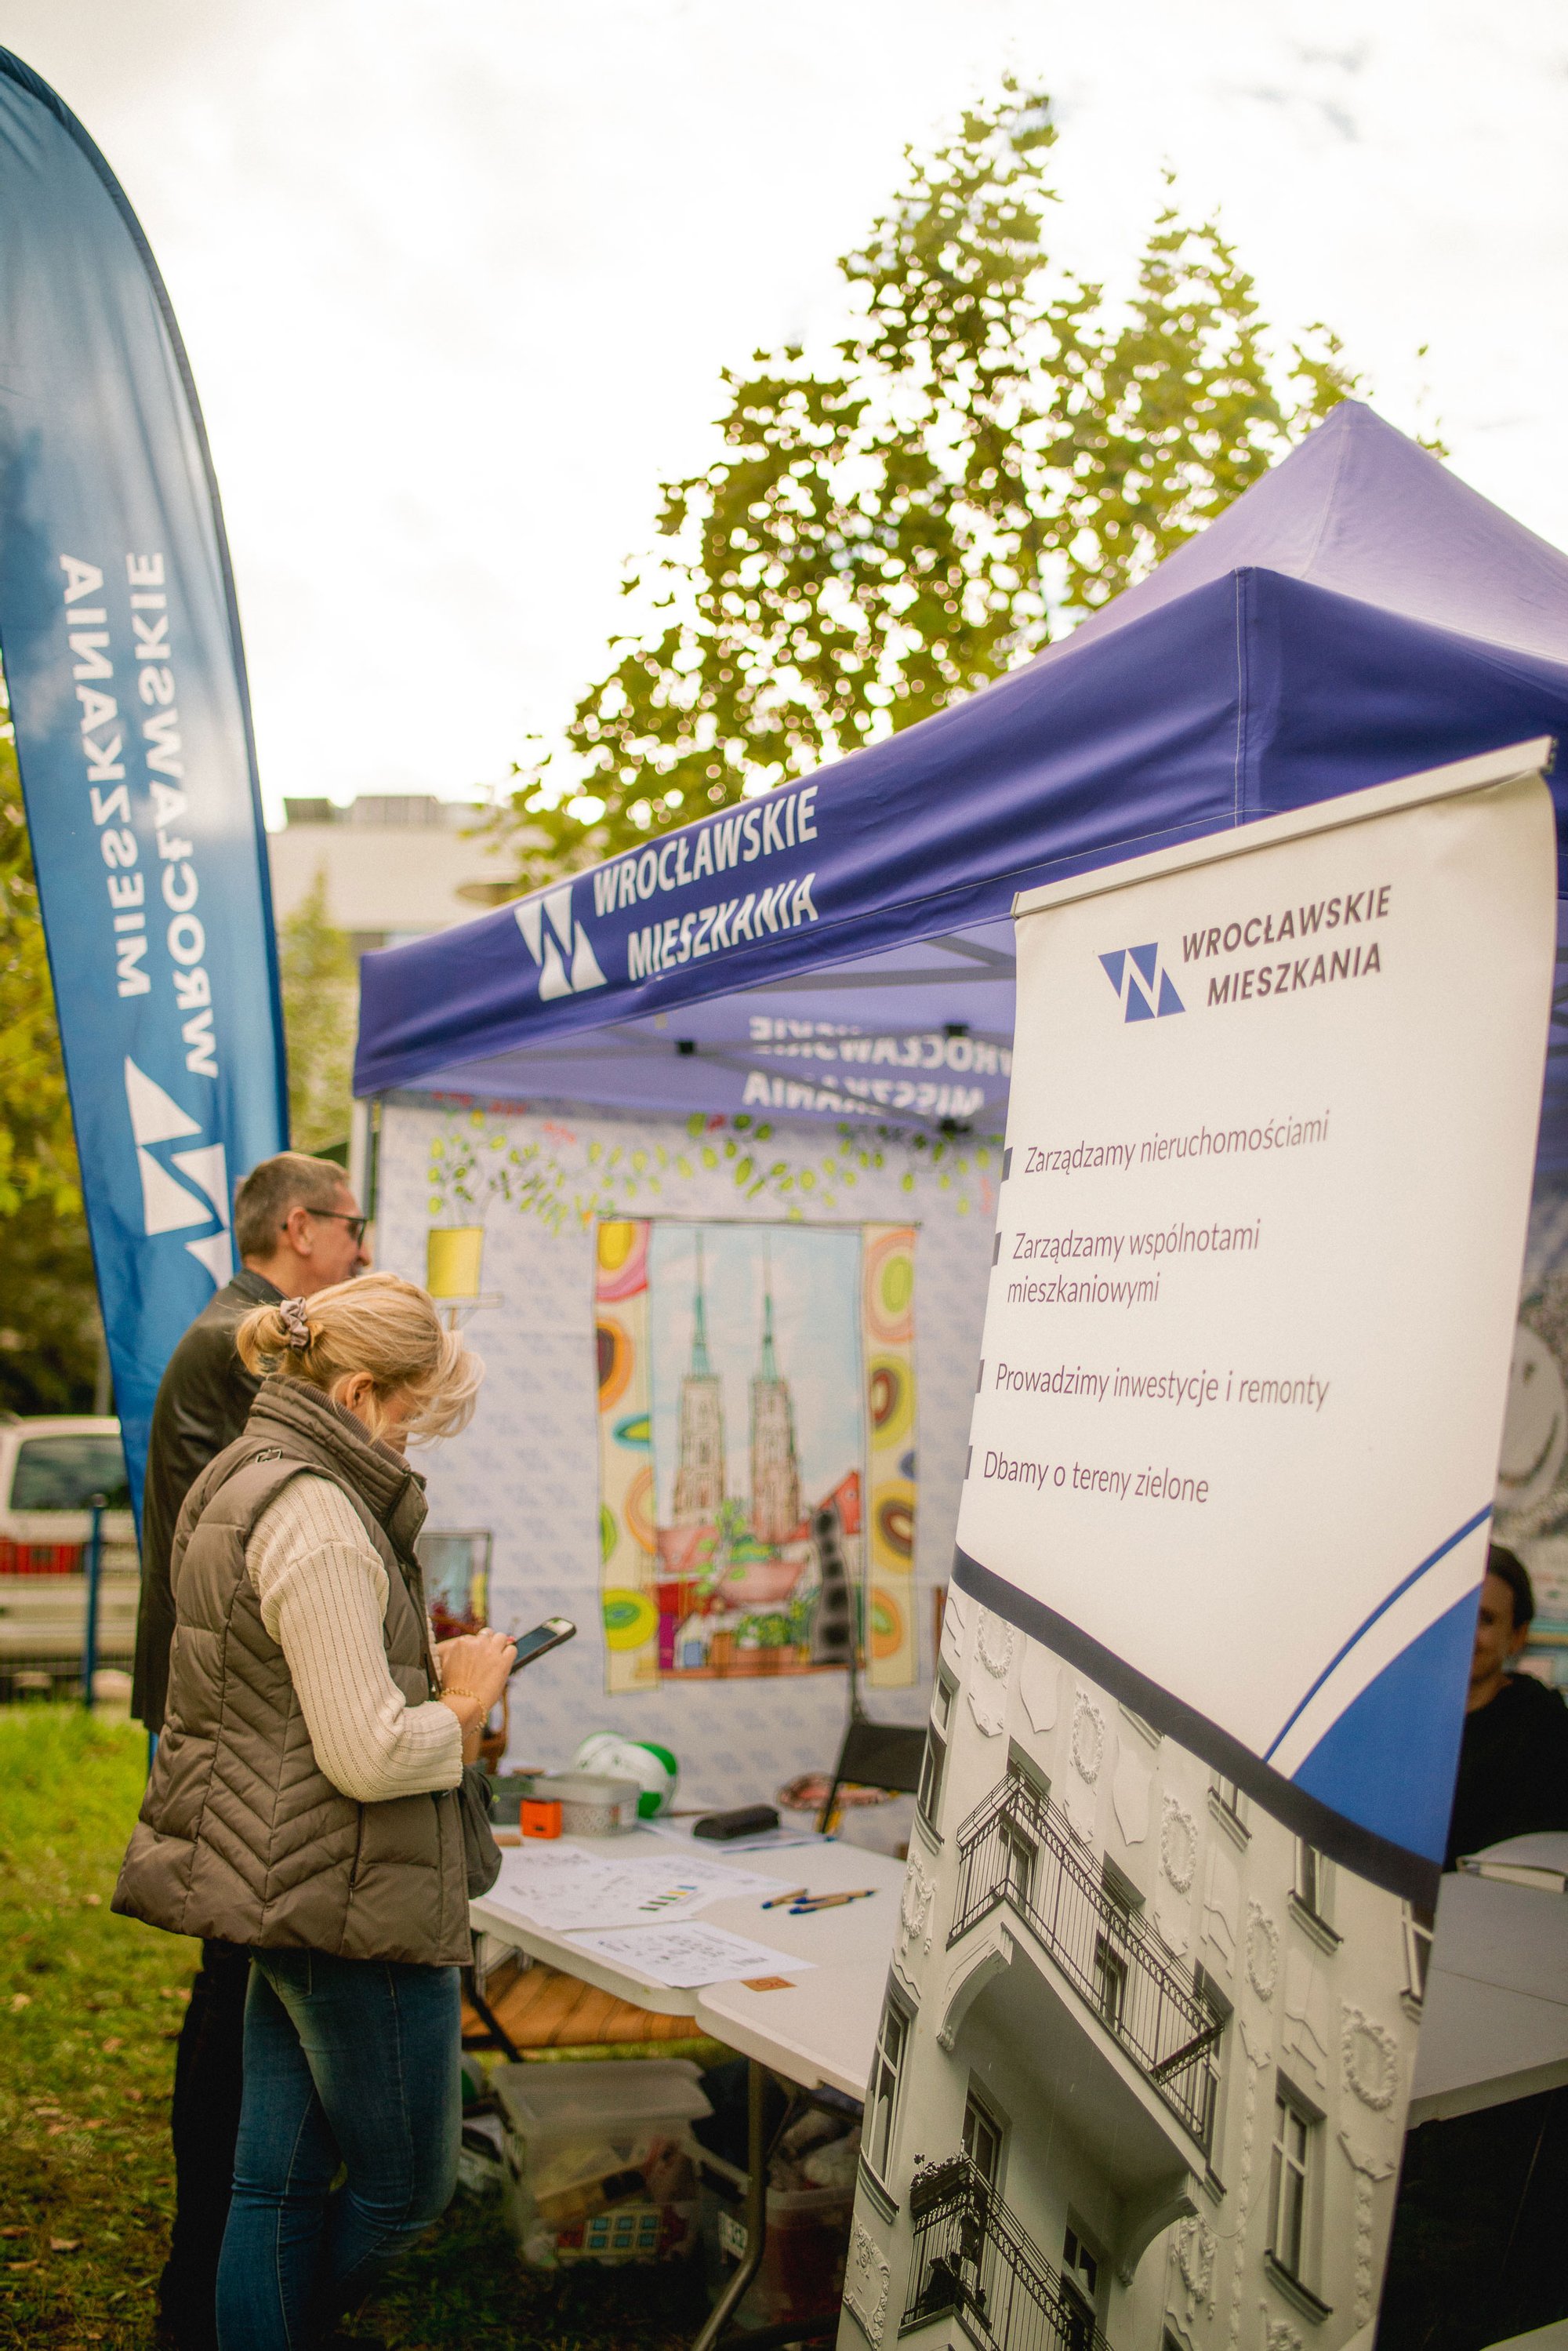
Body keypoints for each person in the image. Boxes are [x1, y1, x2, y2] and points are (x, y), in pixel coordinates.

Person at [114, 1273, 515, 2351]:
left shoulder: (244, 1473)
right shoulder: (322, 1516)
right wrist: (469, 1704)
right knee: (403, 2192)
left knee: (272, 2183)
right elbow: (376, 1753)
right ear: (354, 1388)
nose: (411, 1439)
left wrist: (406, 1667)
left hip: (274, 1874)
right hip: (343, 1892)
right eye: (409, 1412)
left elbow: (272, 1684)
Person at [135, 1152, 372, 2351]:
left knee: (251, 1994)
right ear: (298, 1228)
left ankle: (235, 2276)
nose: (364, 1251)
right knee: (239, 1998)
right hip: (230, 1716)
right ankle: (214, 2287)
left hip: (225, 1706)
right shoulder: (244, 1347)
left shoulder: (235, 1336)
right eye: (352, 1228)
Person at [1444, 1544, 1568, 1867]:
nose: (1465, 1633)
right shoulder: (1400, 1713)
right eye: (1458, 1613)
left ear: (1516, 1637)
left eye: (1484, 1619)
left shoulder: (1545, 1730)